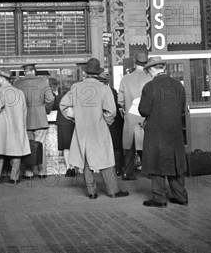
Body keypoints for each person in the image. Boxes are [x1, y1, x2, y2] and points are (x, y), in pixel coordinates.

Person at [59, 58, 128, 200]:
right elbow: (112, 112)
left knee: (86, 160)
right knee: (106, 159)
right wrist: (105, 122)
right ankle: (113, 191)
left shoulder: (76, 87)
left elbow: (63, 105)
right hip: (99, 128)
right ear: (98, 73)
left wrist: (74, 119)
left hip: (82, 129)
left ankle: (91, 192)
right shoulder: (104, 89)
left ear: (86, 73)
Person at [139, 56, 188, 208]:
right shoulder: (178, 86)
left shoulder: (149, 86)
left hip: (156, 132)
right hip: (174, 132)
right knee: (175, 163)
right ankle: (181, 197)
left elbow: (144, 110)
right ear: (163, 68)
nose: (149, 73)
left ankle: (159, 199)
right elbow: (182, 109)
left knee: (156, 163)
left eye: (149, 71)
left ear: (153, 69)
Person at [0, 68, 29, 185]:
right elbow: (24, 112)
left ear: (3, 79)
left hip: (2, 127)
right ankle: (14, 178)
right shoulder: (20, 93)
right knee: (16, 152)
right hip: (17, 127)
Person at [14, 63, 54, 179]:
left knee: (27, 146)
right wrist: (45, 110)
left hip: (24, 119)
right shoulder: (42, 82)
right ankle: (42, 172)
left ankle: (29, 172)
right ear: (34, 71)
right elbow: (51, 99)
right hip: (40, 118)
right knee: (41, 145)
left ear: (24, 72)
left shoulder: (17, 83)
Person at [118, 52, 152, 181]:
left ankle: (127, 172)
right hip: (145, 118)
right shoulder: (150, 79)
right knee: (146, 145)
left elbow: (120, 100)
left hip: (130, 117)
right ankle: (149, 171)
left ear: (134, 62)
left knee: (129, 146)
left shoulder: (125, 79)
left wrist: (125, 108)